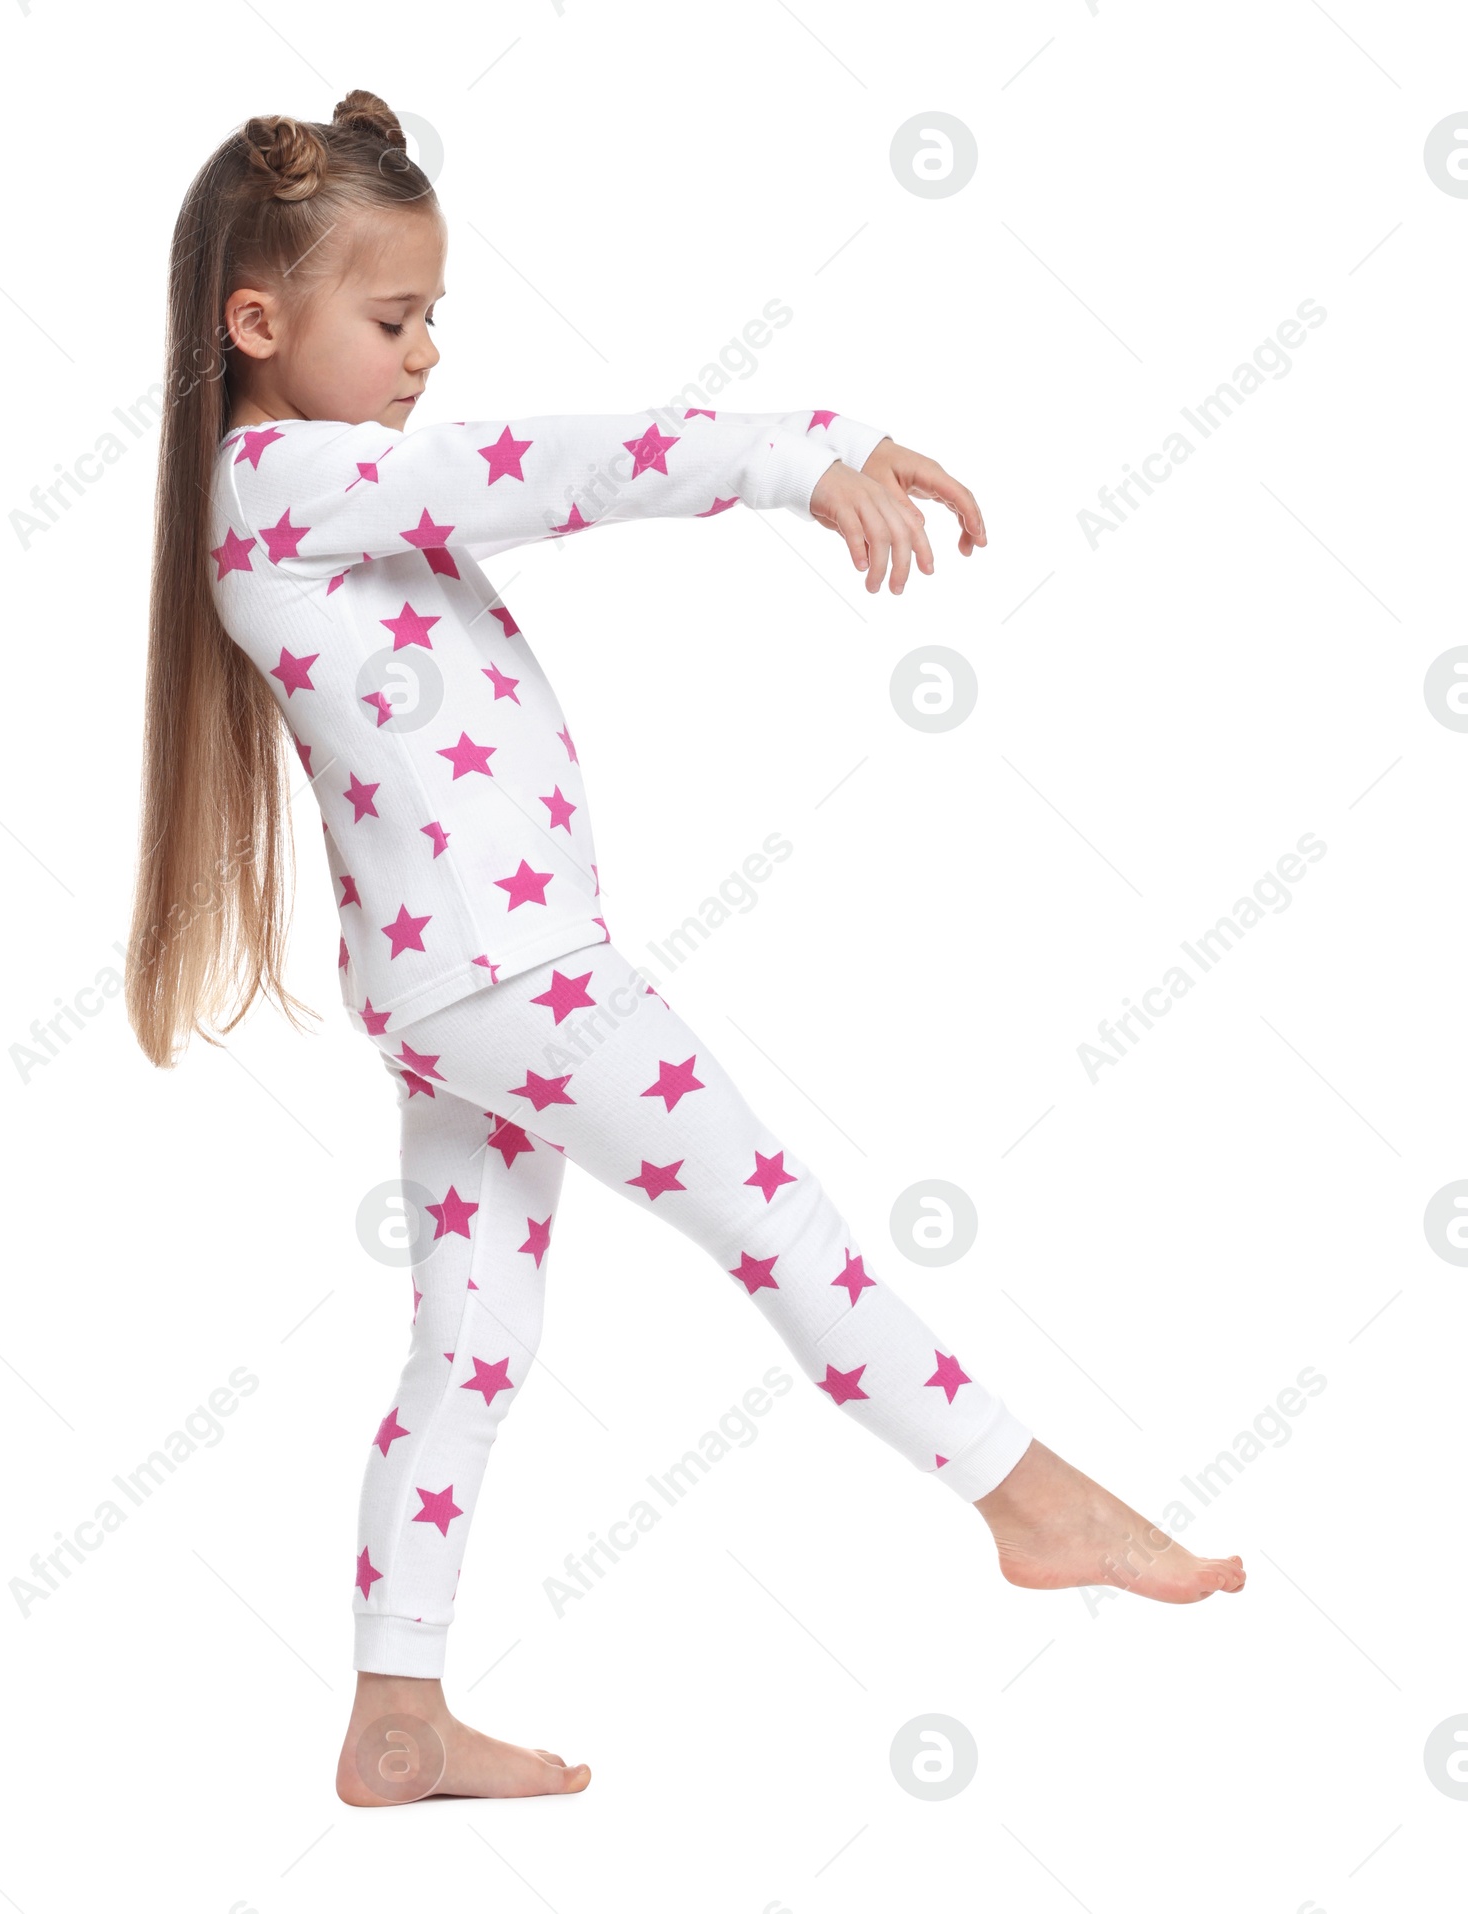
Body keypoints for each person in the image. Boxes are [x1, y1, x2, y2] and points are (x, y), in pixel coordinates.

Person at [127, 88, 1246, 1808]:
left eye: (435, 315)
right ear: (257, 325)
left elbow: (495, 476)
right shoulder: (286, 478)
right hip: (516, 979)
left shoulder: (312, 489)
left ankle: (396, 1709)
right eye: (395, 316)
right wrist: (796, 452)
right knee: (777, 1221)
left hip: (457, 990)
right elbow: (551, 468)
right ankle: (1027, 1495)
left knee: (471, 1343)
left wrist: (826, 442)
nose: (428, 352)